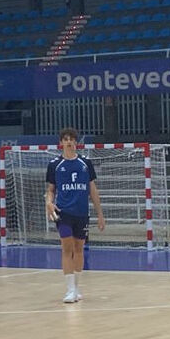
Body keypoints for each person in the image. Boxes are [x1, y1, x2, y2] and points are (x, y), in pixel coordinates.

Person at [45, 126, 106, 304]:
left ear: (76, 143)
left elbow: (92, 189)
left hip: (82, 213)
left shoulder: (85, 163)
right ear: (61, 143)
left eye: (72, 139)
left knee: (79, 250)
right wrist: (49, 202)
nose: (69, 142)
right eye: (66, 139)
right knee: (67, 248)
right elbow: (50, 190)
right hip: (63, 212)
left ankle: (76, 287)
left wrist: (100, 214)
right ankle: (70, 289)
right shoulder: (54, 165)